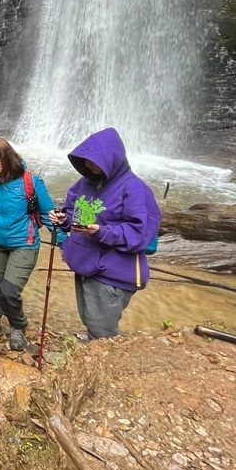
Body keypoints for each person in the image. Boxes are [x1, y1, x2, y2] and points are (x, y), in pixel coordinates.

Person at [48, 128, 161, 340]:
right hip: (86, 264)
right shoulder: (86, 182)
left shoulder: (135, 188)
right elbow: (75, 211)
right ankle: (92, 344)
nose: (89, 166)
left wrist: (101, 232)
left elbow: (140, 232)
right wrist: (65, 219)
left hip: (112, 272)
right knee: (90, 318)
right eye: (86, 161)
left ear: (112, 159)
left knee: (102, 329)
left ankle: (102, 362)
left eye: (94, 162)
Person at [0, 138, 55, 352]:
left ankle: (18, 325)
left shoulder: (30, 182)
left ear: (7, 158)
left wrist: (65, 244)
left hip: (24, 243)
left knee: (9, 290)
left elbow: (50, 214)